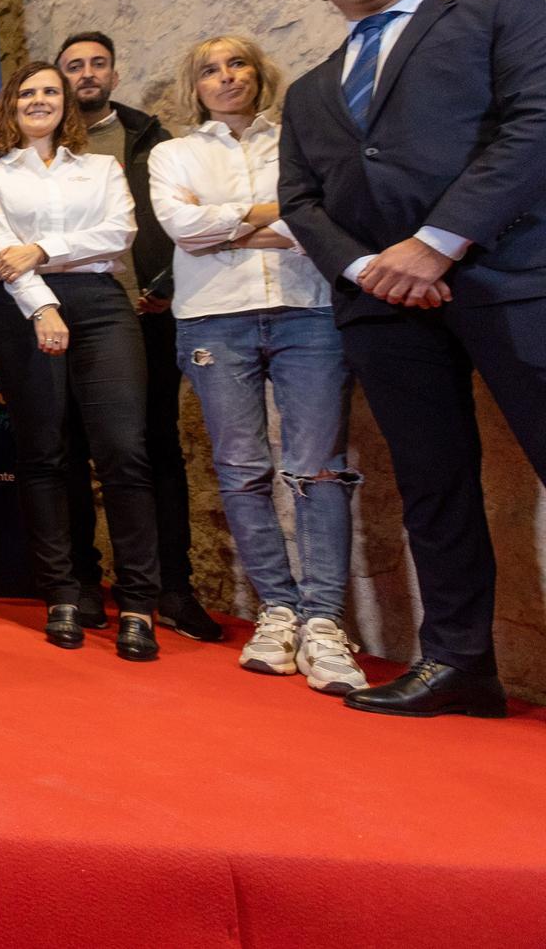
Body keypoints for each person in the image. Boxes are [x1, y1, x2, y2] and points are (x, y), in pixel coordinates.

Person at [281, 0, 546, 718]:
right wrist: (366, 268)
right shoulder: (311, 90)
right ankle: (460, 663)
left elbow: (534, 127)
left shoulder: (501, 17)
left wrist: (438, 241)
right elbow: (300, 199)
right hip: (386, 310)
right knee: (434, 486)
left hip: (511, 275)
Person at [148, 35, 366, 694]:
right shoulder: (173, 152)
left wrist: (233, 228)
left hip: (309, 309)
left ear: (258, 72)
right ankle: (277, 608)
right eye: (209, 68)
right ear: (196, 86)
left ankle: (324, 619)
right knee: (240, 469)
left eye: (236, 63)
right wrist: (277, 217)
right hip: (215, 315)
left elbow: (329, 217)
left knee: (318, 469)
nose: (225, 76)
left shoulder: (300, 139)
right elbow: (182, 227)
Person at [0, 62, 162, 660]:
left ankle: (138, 603)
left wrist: (46, 249)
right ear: (9, 106)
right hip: (21, 311)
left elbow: (119, 233)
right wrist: (43, 307)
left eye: (51, 91)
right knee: (45, 454)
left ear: (66, 104)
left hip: (103, 304)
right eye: (28, 92)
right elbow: (1, 253)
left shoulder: (103, 167)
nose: (40, 100)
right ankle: (64, 592)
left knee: (123, 451)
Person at [55, 31, 221, 641]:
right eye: (75, 66)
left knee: (151, 451)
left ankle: (168, 589)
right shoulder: (47, 147)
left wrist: (168, 281)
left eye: (99, 64)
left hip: (147, 313)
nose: (87, 74)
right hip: (67, 316)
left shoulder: (149, 140)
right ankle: (81, 585)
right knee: (67, 448)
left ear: (114, 75)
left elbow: (177, 217)